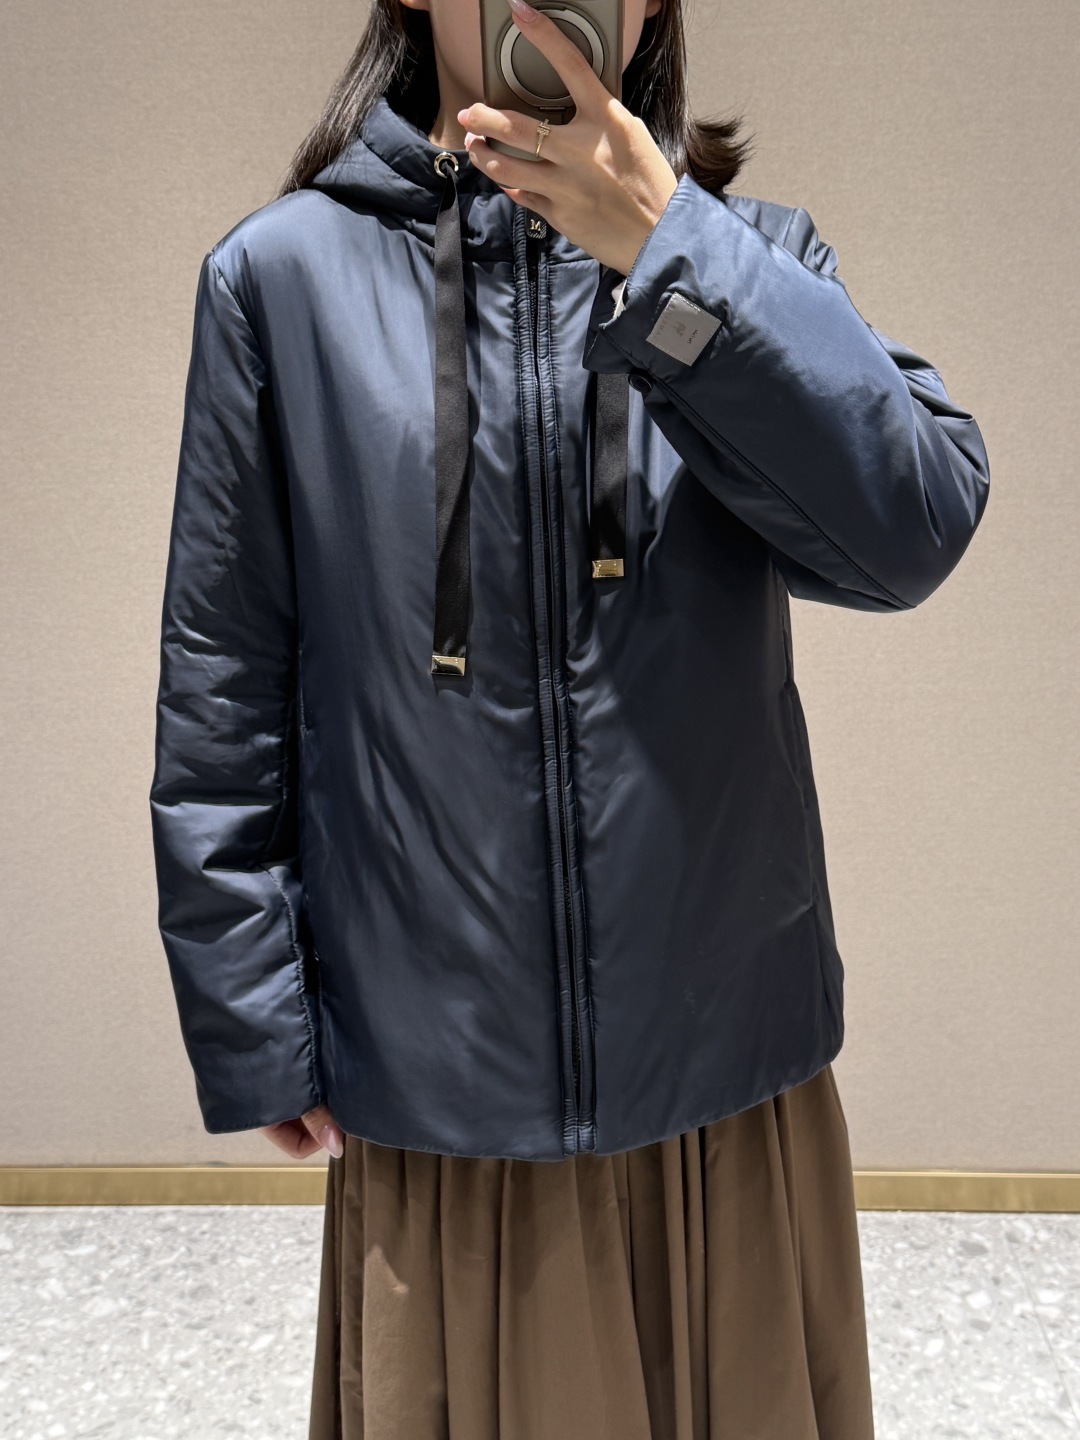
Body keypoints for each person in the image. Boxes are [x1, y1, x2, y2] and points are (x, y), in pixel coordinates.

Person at [148, 0, 990, 1433]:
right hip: (442, 1086)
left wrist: (675, 263)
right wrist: (252, 1013)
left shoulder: (753, 258)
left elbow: (911, 527)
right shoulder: (280, 282)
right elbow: (223, 675)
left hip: (726, 1077)